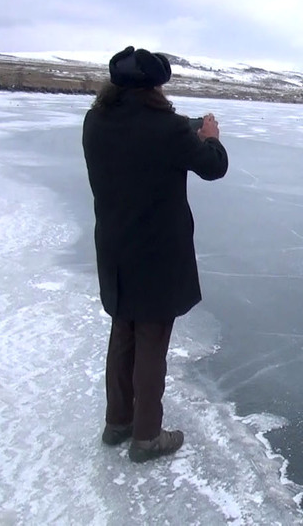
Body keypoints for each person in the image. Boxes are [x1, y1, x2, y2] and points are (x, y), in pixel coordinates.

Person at [82, 46, 229, 463]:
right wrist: (210, 137)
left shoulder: (96, 120)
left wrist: (187, 128)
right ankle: (146, 436)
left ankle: (118, 422)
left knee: (122, 333)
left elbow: (143, 137)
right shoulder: (167, 129)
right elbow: (213, 166)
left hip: (114, 250)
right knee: (150, 341)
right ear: (153, 88)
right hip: (157, 257)